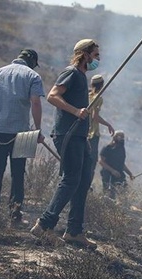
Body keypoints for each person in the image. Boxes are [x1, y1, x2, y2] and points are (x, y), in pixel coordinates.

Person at [30, 39, 101, 249]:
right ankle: (44, 224)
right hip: (67, 134)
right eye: (96, 55)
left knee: (84, 178)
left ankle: (74, 231)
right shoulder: (71, 72)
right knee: (71, 178)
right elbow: (52, 96)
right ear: (85, 55)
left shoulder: (81, 77)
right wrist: (76, 111)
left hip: (79, 136)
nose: (98, 59)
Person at [0, 49, 45, 223]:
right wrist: (38, 129)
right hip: (22, 132)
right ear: (32, 61)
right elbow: (35, 102)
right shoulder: (32, 76)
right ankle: (15, 213)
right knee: (18, 172)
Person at [87, 74, 114, 186]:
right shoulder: (98, 98)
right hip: (93, 134)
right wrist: (108, 124)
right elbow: (95, 116)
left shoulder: (87, 96)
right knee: (92, 162)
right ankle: (87, 186)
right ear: (102, 85)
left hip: (84, 133)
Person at [99, 130, 134, 199]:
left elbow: (122, 164)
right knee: (109, 194)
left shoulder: (121, 149)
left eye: (123, 137)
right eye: (120, 136)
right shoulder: (107, 148)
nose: (122, 139)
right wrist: (112, 171)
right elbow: (101, 162)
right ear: (114, 138)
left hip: (119, 173)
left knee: (124, 192)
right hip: (108, 174)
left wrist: (130, 174)